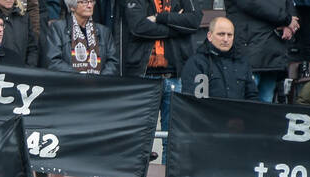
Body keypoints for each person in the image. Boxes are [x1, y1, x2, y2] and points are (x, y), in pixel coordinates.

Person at [117, 0, 200, 128]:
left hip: (174, 76)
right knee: (141, 133)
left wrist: (159, 17)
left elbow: (194, 21)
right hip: (143, 77)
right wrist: (175, 29)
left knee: (172, 137)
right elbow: (138, 26)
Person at [226, 0, 296, 101]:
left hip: (273, 48)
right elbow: (252, 3)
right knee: (245, 102)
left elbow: (288, 3)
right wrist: (287, 19)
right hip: (249, 45)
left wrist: (290, 24)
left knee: (266, 101)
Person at [180, 16, 258, 99]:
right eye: (221, 34)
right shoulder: (197, 63)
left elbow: (252, 97)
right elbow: (193, 101)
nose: (225, 39)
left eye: (229, 35)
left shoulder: (242, 62)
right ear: (209, 36)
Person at [44, 0, 119, 73]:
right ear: (72, 7)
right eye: (84, 2)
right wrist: (79, 77)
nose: (89, 5)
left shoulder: (104, 31)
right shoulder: (58, 28)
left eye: (91, 1)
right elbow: (53, 61)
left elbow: (113, 63)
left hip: (99, 84)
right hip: (69, 83)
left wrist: (100, 80)